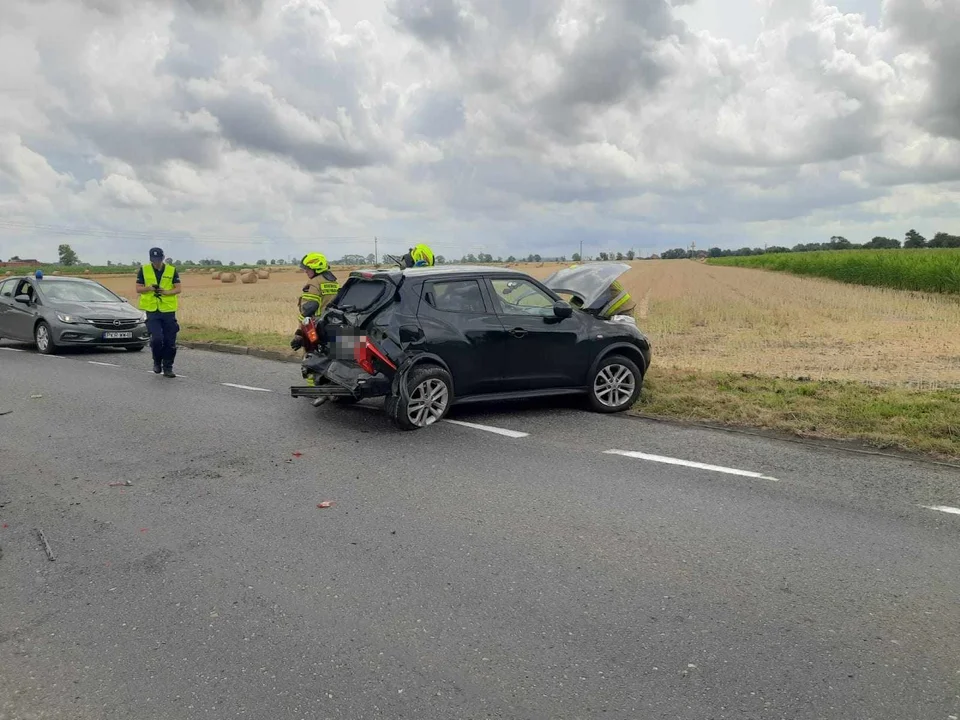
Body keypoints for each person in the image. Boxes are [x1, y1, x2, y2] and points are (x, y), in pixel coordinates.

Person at [136, 247, 181, 377]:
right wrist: (149, 288)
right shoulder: (144, 270)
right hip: (152, 311)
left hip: (168, 310)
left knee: (170, 341)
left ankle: (168, 367)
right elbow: (138, 289)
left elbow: (178, 289)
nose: (156, 261)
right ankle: (157, 361)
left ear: (162, 258)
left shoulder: (171, 270)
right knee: (156, 339)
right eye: (154, 259)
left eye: (158, 258)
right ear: (150, 259)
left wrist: (166, 292)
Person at [290, 252, 340, 357]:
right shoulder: (334, 283)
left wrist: (299, 334)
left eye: (308, 268)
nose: (306, 271)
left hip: (316, 328)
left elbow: (309, 309)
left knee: (310, 360)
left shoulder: (314, 283)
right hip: (333, 325)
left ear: (316, 268)